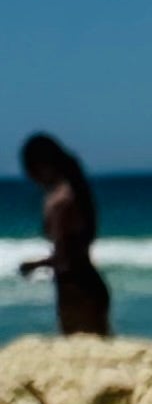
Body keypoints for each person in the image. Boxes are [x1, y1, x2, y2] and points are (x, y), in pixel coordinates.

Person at [17, 134, 112, 336]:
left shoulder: (59, 200)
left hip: (75, 288)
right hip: (86, 282)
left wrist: (35, 265)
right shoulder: (76, 191)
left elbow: (65, 256)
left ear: (42, 166)